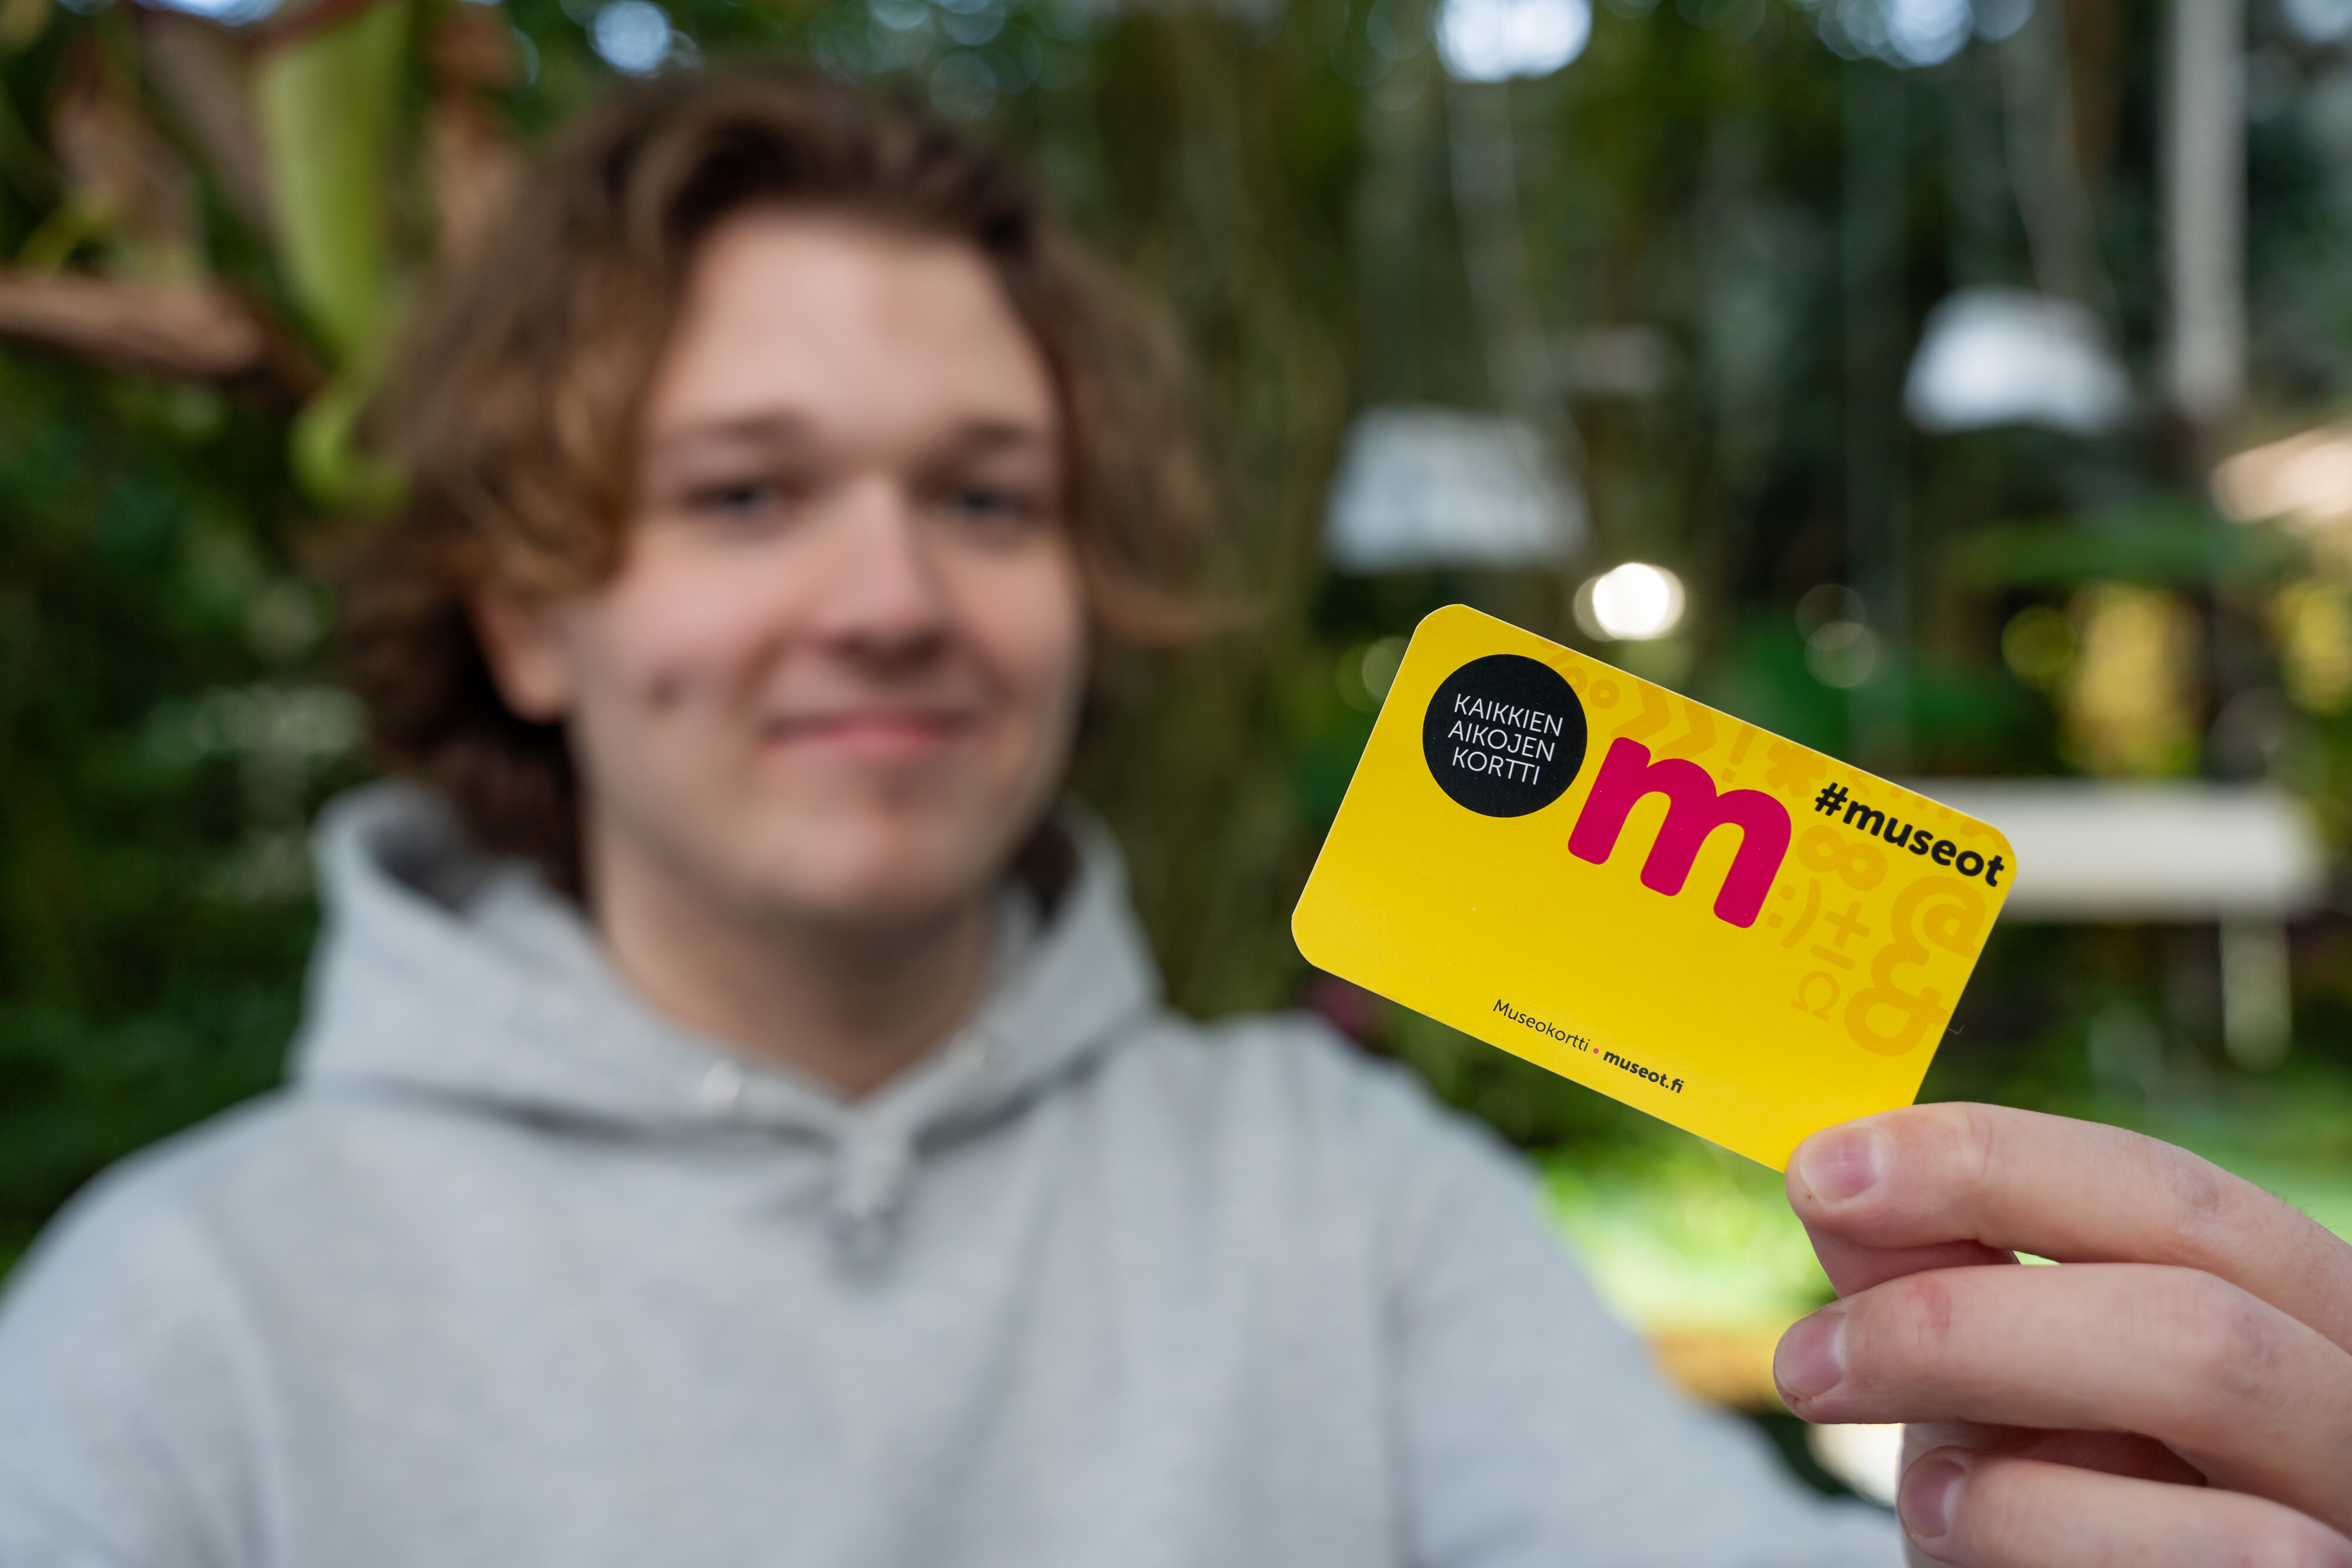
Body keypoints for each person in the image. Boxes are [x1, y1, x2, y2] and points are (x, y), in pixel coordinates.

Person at [0, 66, 2345, 1568]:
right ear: (526, 610)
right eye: (742, 492)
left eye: (986, 496)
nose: (890, 597)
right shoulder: (177, 1324)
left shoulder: (1346, 1210)